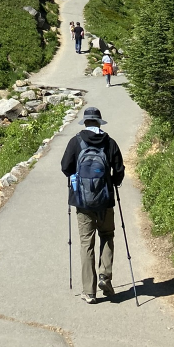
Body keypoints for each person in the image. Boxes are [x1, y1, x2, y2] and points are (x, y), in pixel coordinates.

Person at [61, 106, 125, 303]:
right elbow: (119, 170)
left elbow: (65, 167)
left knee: (86, 243)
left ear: (85, 122)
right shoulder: (109, 142)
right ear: (98, 122)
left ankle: (89, 292)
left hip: (82, 201)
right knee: (107, 236)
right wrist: (112, 183)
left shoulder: (76, 141)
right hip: (105, 200)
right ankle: (105, 276)